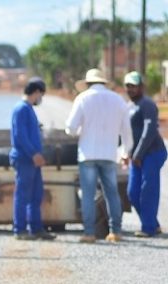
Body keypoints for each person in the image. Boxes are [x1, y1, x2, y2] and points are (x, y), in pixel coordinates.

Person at [65, 68, 133, 243]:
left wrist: (81, 131)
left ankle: (89, 233)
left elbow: (70, 128)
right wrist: (125, 152)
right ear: (104, 83)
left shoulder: (82, 98)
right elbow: (127, 131)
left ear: (87, 83)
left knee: (88, 195)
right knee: (111, 193)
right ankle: (115, 231)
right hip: (109, 154)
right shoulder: (118, 100)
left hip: (87, 154)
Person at [9, 77, 56, 240]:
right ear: (36, 92)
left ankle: (36, 228)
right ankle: (20, 230)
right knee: (22, 195)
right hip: (25, 159)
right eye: (41, 95)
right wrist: (33, 154)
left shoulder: (28, 109)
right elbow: (19, 135)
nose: (40, 98)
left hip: (32, 160)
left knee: (36, 195)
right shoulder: (21, 109)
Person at [123, 71, 168, 237]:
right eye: (128, 86)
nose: (131, 89)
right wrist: (127, 152)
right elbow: (127, 133)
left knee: (148, 191)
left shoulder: (147, 104)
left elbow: (149, 131)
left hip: (152, 153)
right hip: (137, 156)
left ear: (141, 87)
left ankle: (148, 228)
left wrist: (138, 154)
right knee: (132, 193)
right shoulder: (129, 106)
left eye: (134, 86)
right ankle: (153, 224)